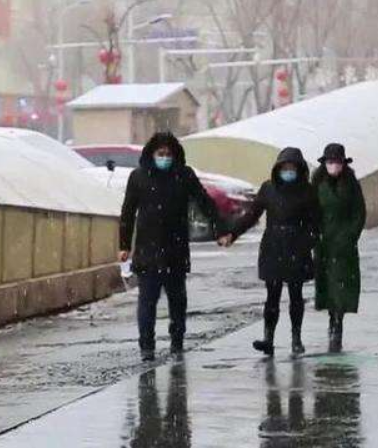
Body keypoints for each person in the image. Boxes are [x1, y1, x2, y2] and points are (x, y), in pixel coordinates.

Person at [119, 132, 229, 362]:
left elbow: (204, 202)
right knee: (147, 302)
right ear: (151, 154)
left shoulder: (184, 175)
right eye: (160, 154)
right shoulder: (138, 177)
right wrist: (124, 245)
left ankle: (177, 342)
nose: (165, 158)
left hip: (175, 250)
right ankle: (146, 345)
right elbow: (128, 212)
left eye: (168, 154)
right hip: (147, 250)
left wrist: (220, 228)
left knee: (178, 301)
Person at [224, 147, 320, 356]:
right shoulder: (268, 189)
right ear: (278, 168)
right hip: (273, 247)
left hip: (297, 246)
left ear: (299, 169)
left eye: (292, 168)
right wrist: (233, 233)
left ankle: (296, 338)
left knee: (296, 295)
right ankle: (269, 338)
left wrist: (307, 242)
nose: (288, 171)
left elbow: (316, 223)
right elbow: (252, 215)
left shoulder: (307, 191)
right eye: (284, 167)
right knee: (272, 296)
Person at [312, 143, 366, 353]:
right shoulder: (317, 183)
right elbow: (311, 211)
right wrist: (315, 234)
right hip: (324, 244)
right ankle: (331, 318)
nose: (333, 165)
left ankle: (337, 323)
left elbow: (359, 213)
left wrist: (350, 235)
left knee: (342, 286)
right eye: (330, 162)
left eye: (337, 162)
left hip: (344, 246)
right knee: (328, 285)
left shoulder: (351, 184)